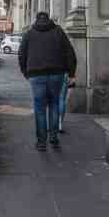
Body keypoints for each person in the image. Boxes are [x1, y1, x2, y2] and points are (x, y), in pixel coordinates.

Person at [18, 11, 76, 151]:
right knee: (54, 105)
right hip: (57, 74)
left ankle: (41, 143)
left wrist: (26, 73)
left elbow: (21, 54)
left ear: (36, 20)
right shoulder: (58, 31)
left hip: (36, 75)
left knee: (39, 109)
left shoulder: (30, 34)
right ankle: (54, 139)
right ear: (49, 19)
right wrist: (71, 72)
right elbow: (70, 52)